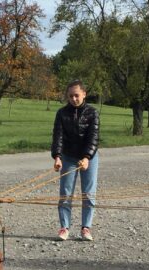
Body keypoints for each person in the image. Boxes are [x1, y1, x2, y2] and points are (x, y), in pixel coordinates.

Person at [51, 80, 100, 241]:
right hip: (68, 156)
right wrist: (57, 156)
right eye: (71, 96)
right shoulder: (62, 113)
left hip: (89, 157)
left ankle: (86, 228)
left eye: (77, 95)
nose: (74, 99)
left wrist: (86, 158)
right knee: (65, 193)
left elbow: (93, 137)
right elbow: (58, 136)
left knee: (88, 193)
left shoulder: (92, 112)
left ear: (84, 94)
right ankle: (64, 228)